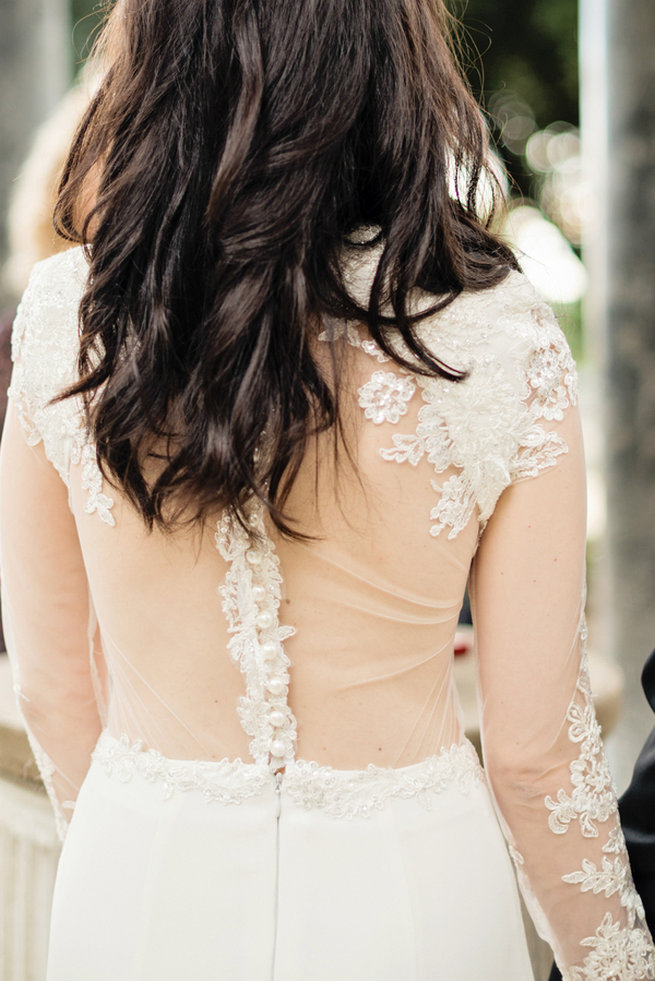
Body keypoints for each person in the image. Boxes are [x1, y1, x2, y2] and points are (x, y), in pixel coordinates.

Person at [0, 1, 653, 978]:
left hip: (139, 891)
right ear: (387, 49)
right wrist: (619, 967)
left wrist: (145, 843)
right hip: (417, 900)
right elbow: (533, 757)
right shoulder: (494, 331)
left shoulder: (70, 314)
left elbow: (52, 688)